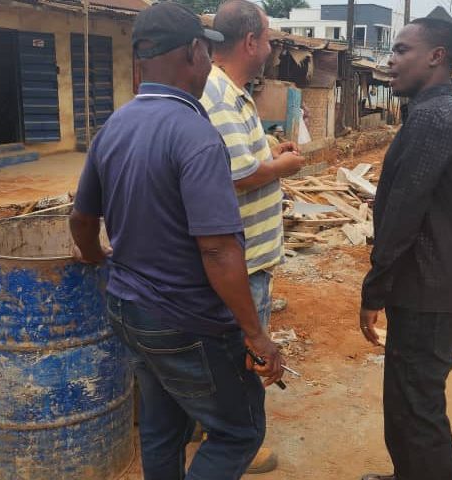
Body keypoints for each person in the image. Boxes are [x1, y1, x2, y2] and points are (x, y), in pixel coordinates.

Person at [68, 3, 283, 479]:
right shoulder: (197, 136)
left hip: (128, 309)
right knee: (239, 431)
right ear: (194, 52)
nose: (211, 61)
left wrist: (97, 259)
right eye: (208, 51)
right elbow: (218, 249)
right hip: (185, 320)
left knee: (164, 426)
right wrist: (256, 334)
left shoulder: (115, 127)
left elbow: (82, 220)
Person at [358, 17, 452, 480]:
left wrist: (374, 291)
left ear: (436, 57)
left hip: (429, 292)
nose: (391, 59)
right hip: (427, 286)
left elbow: (403, 216)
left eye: (403, 50)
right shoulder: (432, 113)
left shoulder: (433, 117)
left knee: (419, 413)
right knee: (405, 406)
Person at [199, 0, 306, 473]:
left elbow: (244, 156)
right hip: (239, 261)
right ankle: (236, 444)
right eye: (267, 38)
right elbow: (239, 174)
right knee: (245, 355)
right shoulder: (218, 95)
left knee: (233, 356)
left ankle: (222, 435)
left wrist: (270, 150)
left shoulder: (235, 93)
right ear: (248, 42)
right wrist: (282, 166)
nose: (269, 47)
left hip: (251, 256)